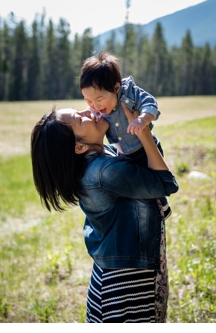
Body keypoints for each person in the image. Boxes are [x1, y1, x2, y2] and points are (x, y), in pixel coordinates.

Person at [30, 103, 178, 323]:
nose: (89, 112)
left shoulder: (104, 155)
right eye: (80, 120)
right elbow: (165, 182)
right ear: (79, 147)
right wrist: (143, 132)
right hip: (126, 284)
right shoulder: (104, 173)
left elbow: (150, 164)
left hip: (127, 273)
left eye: (79, 111)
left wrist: (130, 129)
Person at [78, 51, 170, 216]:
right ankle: (149, 207)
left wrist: (142, 119)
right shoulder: (97, 108)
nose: (95, 106)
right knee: (139, 183)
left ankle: (163, 205)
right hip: (124, 153)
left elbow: (150, 104)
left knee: (153, 179)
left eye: (99, 100)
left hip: (144, 148)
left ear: (116, 87)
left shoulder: (129, 92)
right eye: (89, 101)